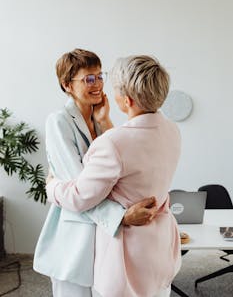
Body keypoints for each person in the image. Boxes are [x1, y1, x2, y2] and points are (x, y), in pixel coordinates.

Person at [46, 54, 182, 297]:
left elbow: (96, 182)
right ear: (67, 85)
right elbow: (80, 191)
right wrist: (121, 216)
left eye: (100, 76)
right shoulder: (58, 122)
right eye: (89, 78)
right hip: (80, 233)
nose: (98, 83)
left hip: (113, 239)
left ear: (126, 99)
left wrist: (51, 186)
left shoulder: (107, 127)